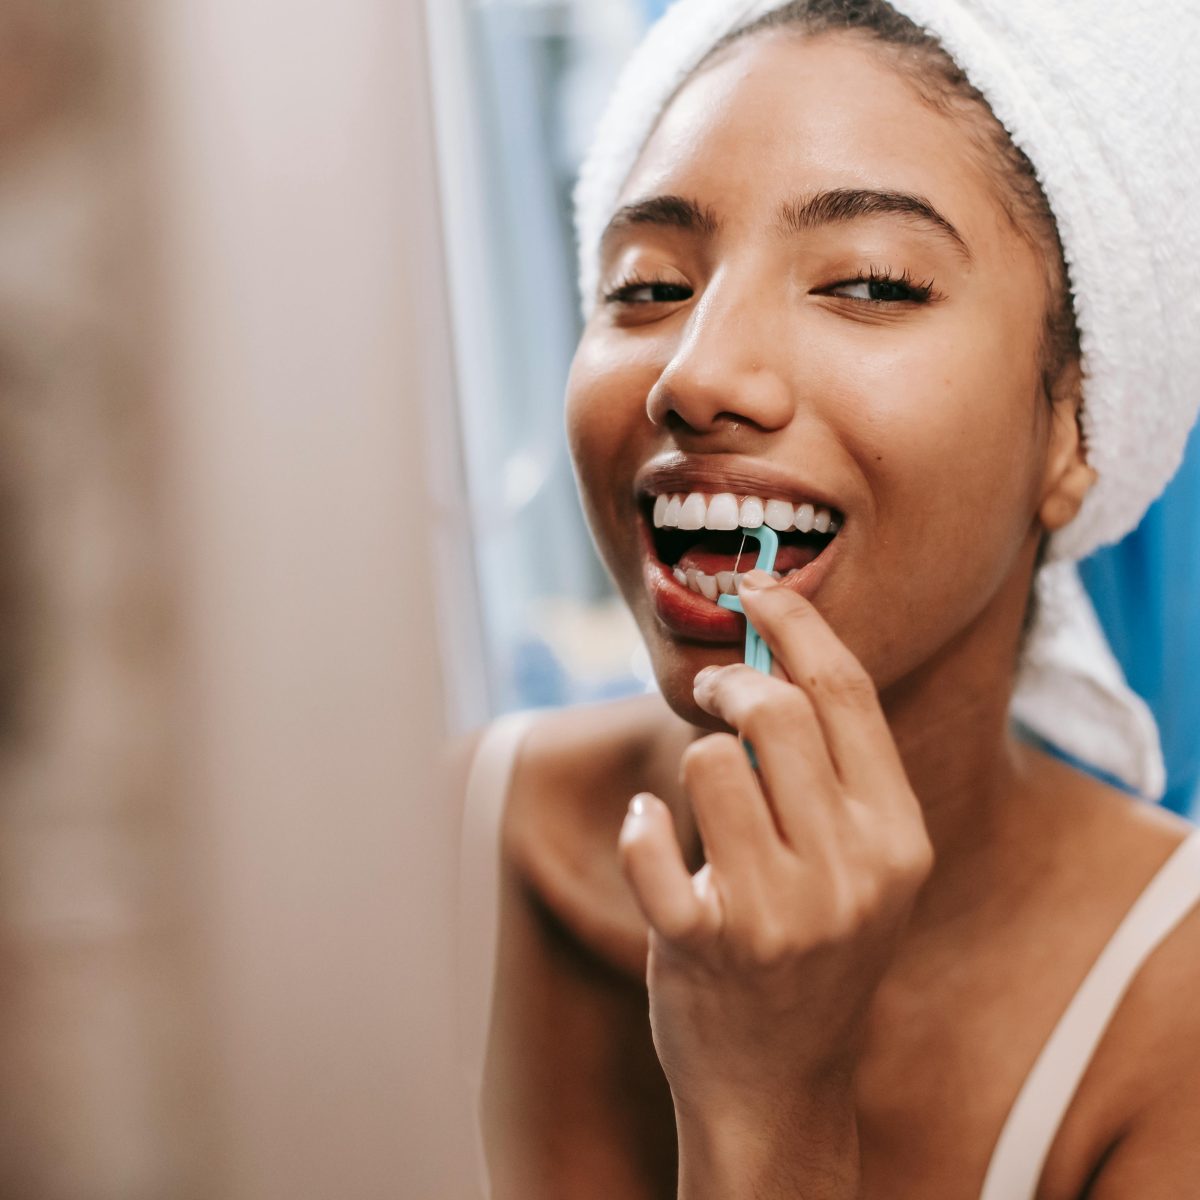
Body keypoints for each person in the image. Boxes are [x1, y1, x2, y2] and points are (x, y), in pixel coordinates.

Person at [457, 1, 1200, 1196]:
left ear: (1076, 421)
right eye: (646, 286)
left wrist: (773, 1107)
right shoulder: (430, 853)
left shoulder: (1175, 1022)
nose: (695, 374)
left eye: (869, 283)